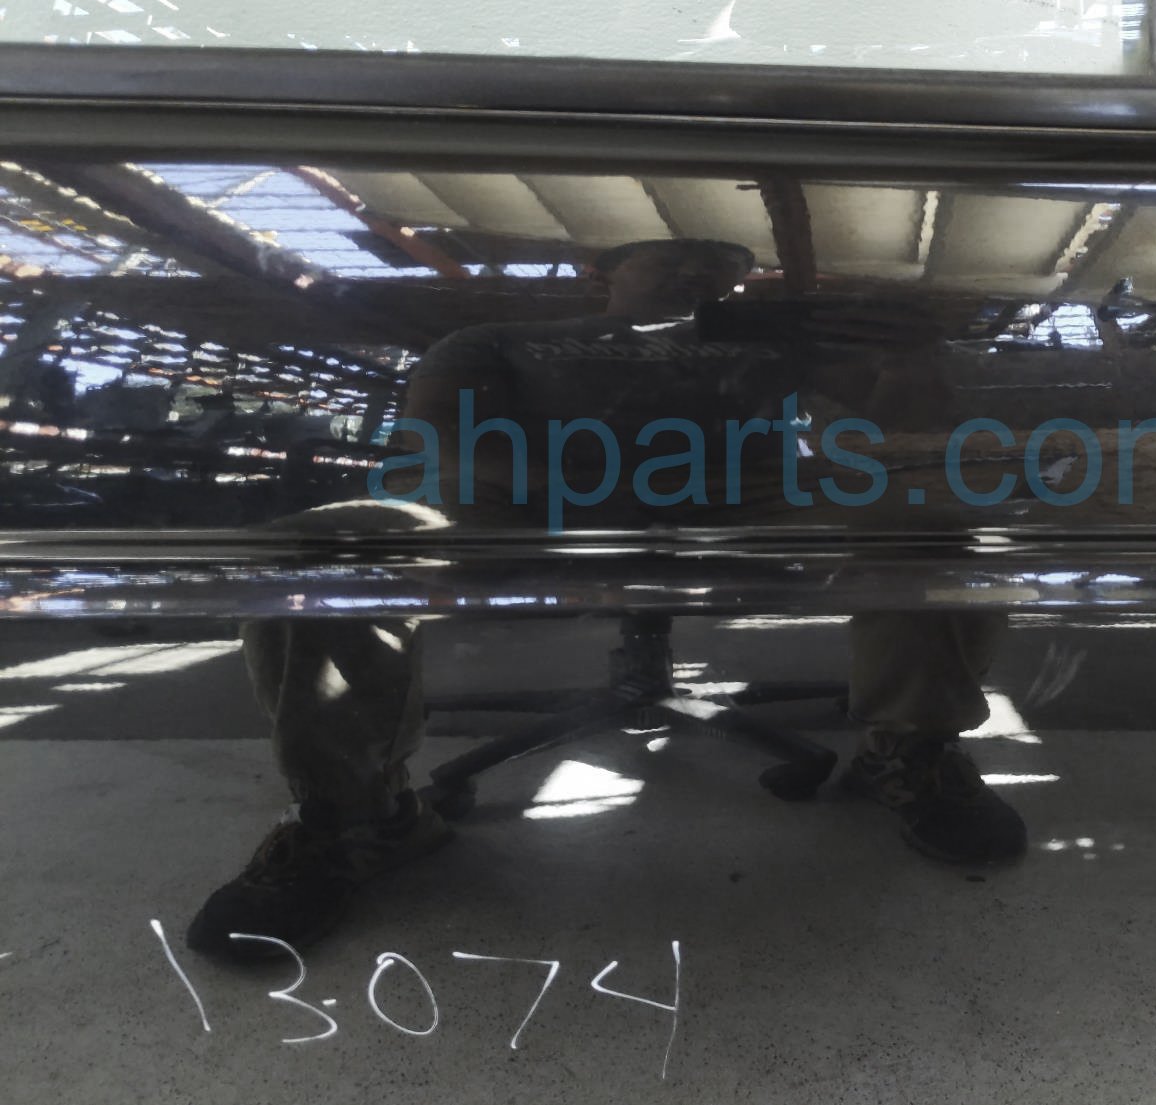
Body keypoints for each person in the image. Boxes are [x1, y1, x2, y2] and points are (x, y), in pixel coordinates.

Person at [186, 237, 1024, 962]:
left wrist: (907, 355)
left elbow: (911, 430)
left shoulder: (769, 342)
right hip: (525, 506)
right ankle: (358, 814)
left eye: (721, 265)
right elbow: (438, 438)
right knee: (324, 547)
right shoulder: (497, 339)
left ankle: (908, 750)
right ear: (605, 272)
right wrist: (594, 497)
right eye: (671, 258)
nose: (697, 273)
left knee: (934, 528)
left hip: (749, 503)